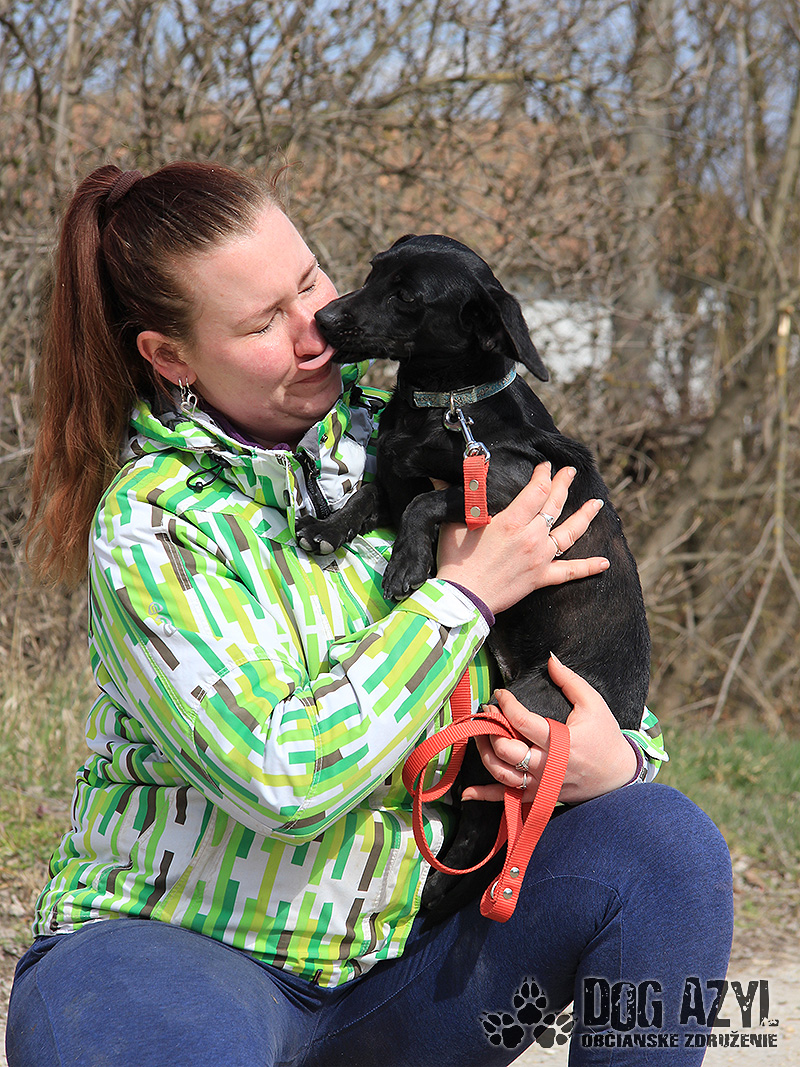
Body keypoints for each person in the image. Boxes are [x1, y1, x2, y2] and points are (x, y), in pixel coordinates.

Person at [7, 161, 733, 1066]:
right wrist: (459, 600)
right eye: (262, 323)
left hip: (402, 972)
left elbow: (592, 654)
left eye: (310, 280)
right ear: (171, 358)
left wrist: (614, 758)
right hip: (177, 953)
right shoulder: (153, 524)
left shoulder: (434, 438)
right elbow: (282, 780)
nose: (314, 327)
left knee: (666, 846)